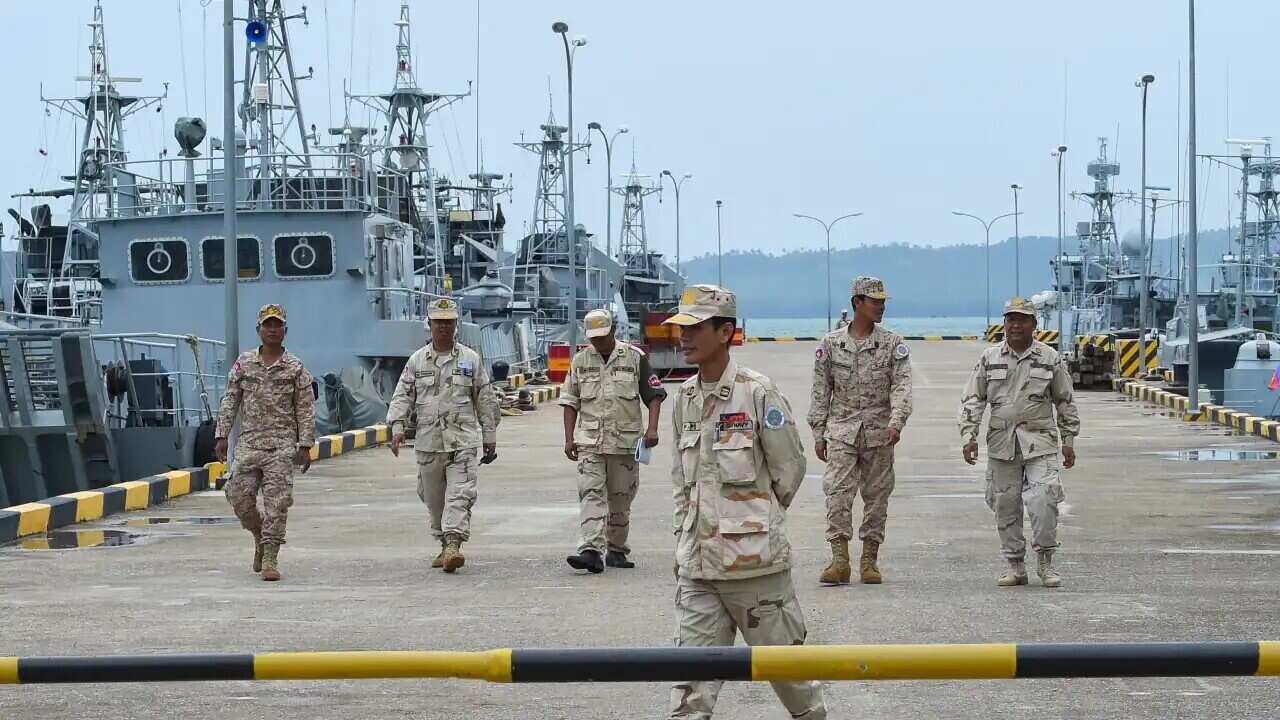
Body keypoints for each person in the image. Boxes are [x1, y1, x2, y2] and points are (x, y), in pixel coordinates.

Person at [664, 284, 826, 720]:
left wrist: (754, 522)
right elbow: (682, 483)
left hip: (755, 570)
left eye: (695, 327)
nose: (684, 336)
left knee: (794, 683)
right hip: (699, 572)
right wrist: (684, 541)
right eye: (682, 328)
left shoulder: (756, 393)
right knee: (689, 691)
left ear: (725, 332)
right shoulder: (684, 398)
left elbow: (789, 469)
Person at [958, 296, 1080, 588]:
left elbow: (1065, 400)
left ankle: (1045, 561)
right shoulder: (990, 357)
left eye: (1022, 320)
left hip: (1040, 442)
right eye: (1011, 319)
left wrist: (1069, 439)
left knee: (1044, 500)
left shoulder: (1049, 357)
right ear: (1004, 323)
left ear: (1034, 324)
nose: (1016, 325)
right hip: (1002, 443)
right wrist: (968, 435)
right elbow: (973, 398)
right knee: (1005, 504)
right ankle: (1015, 565)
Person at [808, 276, 912, 585]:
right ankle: (839, 560)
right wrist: (818, 432)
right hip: (842, 431)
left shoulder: (892, 343)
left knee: (877, 497)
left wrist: (896, 422)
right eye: (875, 301)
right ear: (857, 303)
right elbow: (820, 390)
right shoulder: (831, 344)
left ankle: (869, 559)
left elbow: (902, 386)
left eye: (882, 301)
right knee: (837, 494)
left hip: (880, 432)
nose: (881, 307)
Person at [387, 298, 500, 573]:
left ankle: (453, 545)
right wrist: (397, 427)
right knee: (433, 499)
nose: (444, 327)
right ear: (430, 324)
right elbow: (403, 395)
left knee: (460, 495)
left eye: (449, 322)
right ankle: (443, 541)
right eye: (439, 322)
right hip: (429, 443)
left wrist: (489, 435)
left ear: (456, 325)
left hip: (462, 441)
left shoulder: (470, 360)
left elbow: (484, 398)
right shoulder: (417, 361)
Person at [215, 304, 316, 582]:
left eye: (277, 325)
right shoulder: (244, 364)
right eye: (267, 325)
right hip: (250, 443)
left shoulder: (295, 368)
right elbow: (230, 399)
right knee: (238, 496)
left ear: (285, 330)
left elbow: (305, 408)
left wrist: (305, 445)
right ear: (258, 330)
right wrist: (221, 435)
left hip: (282, 446)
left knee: (277, 503)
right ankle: (259, 534)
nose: (272, 330)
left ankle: (270, 555)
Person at [561, 308, 667, 573]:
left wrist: (653, 429)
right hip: (590, 442)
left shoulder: (634, 357)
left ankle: (616, 550)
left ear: (613, 330)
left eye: (602, 335)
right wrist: (568, 438)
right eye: (593, 337)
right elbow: (570, 401)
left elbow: (654, 394)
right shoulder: (580, 360)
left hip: (625, 443)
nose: (598, 341)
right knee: (591, 494)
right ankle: (590, 551)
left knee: (620, 500)